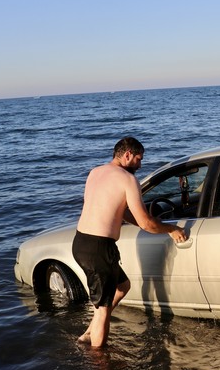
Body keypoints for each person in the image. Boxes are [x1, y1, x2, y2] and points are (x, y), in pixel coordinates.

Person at [73, 137, 188, 348]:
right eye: (138, 159)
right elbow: (146, 223)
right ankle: (101, 368)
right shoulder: (127, 179)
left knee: (122, 286)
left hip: (80, 243)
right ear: (127, 155)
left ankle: (90, 332)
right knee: (103, 309)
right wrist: (170, 229)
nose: (140, 165)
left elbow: (120, 211)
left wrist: (144, 223)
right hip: (100, 248)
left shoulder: (95, 173)